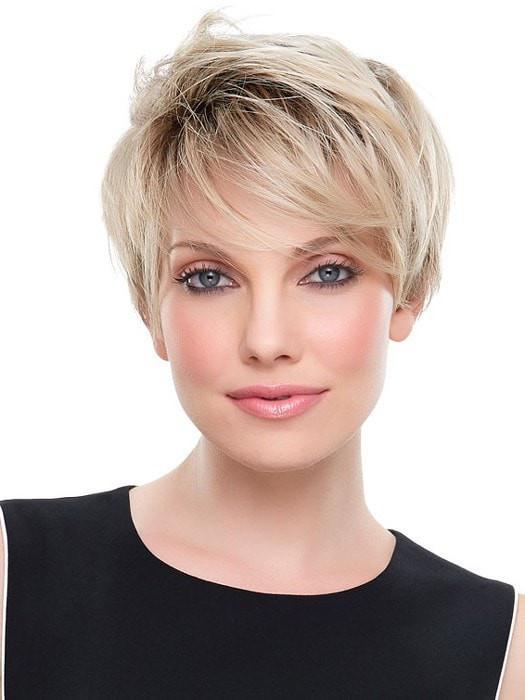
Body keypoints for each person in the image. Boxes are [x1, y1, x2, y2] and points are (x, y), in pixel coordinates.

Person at [0, 8, 523, 698]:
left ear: (409, 292)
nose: (267, 340)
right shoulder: (15, 576)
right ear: (150, 309)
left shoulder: (501, 651)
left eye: (327, 272)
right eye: (208, 278)